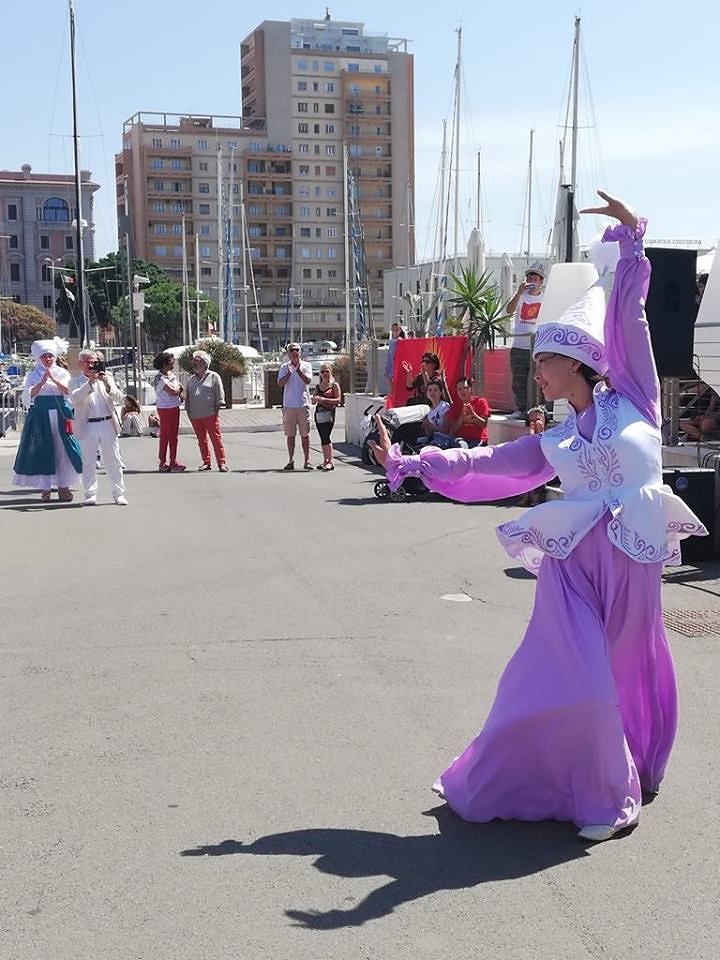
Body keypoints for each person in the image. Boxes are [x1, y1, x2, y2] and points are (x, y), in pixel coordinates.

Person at [370, 191, 707, 843]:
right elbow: (492, 465)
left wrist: (632, 240)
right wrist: (417, 464)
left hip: (634, 559)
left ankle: (631, 763)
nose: (539, 373)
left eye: (547, 361)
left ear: (576, 360)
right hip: (574, 569)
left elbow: (631, 317)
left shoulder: (635, 397)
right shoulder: (557, 440)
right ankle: (598, 792)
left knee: (631, 667)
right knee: (570, 677)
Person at [13, 338, 81, 502]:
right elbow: (28, 396)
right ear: (38, 358)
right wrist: (42, 382)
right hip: (40, 414)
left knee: (62, 450)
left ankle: (63, 486)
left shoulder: (62, 373)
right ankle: (45, 487)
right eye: (44, 357)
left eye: (50, 356)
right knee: (43, 449)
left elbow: (69, 392)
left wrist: (54, 381)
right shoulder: (33, 375)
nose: (47, 359)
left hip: (59, 413)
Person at [71, 349, 128, 506]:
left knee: (114, 460)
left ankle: (118, 494)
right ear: (80, 364)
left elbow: (119, 398)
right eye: (88, 362)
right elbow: (75, 399)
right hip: (88, 425)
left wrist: (107, 384)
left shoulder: (106, 378)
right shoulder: (75, 381)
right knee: (88, 461)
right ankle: (90, 493)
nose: (91, 365)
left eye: (94, 362)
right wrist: (89, 383)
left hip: (107, 423)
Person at [505, 261, 545, 418]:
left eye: (535, 277)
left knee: (540, 379)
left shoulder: (545, 298)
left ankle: (540, 410)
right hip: (519, 344)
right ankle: (521, 409)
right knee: (519, 380)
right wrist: (519, 293)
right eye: (529, 276)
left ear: (541, 281)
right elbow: (508, 311)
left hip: (538, 345)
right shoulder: (521, 296)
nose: (531, 279)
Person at [184, 350, 228, 471]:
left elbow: (220, 396)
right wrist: (189, 412)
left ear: (205, 363)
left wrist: (216, 411)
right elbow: (188, 398)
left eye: (197, 361)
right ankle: (206, 462)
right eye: (194, 361)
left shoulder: (214, 377)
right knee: (201, 440)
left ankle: (221, 463)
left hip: (210, 414)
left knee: (216, 439)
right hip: (195, 415)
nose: (195, 364)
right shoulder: (191, 379)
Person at [277, 342, 313, 470]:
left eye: (296, 350)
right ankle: (291, 460)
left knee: (305, 434)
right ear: (288, 353)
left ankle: (307, 460)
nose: (294, 352)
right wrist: (289, 372)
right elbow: (280, 383)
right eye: (291, 350)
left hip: (303, 404)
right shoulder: (284, 367)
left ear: (300, 351)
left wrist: (298, 371)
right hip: (289, 405)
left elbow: (308, 381)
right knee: (290, 435)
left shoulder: (306, 365)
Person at [152, 352, 186, 473]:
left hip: (175, 407)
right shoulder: (159, 378)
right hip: (165, 408)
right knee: (165, 436)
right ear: (165, 363)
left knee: (174, 436)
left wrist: (179, 390)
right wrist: (178, 390)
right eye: (171, 362)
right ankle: (162, 462)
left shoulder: (171, 375)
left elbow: (180, 388)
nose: (173, 364)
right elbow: (173, 391)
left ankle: (173, 461)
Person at [312, 362, 342, 471]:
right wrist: (315, 399)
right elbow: (313, 399)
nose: (325, 374)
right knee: (322, 437)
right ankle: (325, 460)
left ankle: (330, 461)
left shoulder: (334, 385)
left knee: (326, 436)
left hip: (329, 414)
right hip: (319, 414)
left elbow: (338, 400)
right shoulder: (318, 386)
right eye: (322, 372)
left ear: (331, 372)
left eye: (327, 371)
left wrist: (324, 399)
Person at [517, 406, 548, 506]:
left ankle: (536, 498)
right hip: (530, 465)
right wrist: (532, 433)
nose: (535, 423)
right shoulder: (527, 436)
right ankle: (526, 496)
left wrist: (539, 432)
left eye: (538, 420)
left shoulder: (549, 436)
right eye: (532, 421)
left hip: (545, 467)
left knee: (537, 472)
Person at [448, 377, 490, 448]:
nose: (462, 392)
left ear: (470, 389)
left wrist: (473, 414)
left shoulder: (481, 402)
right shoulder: (454, 406)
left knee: (472, 450)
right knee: (460, 446)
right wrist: (462, 414)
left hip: (478, 440)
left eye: (465, 388)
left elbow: (483, 424)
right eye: (459, 389)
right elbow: (453, 430)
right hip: (461, 439)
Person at [418, 379, 451, 446]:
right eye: (430, 390)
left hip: (443, 440)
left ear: (440, 392)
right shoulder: (429, 411)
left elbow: (446, 430)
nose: (432, 392)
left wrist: (431, 426)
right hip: (433, 440)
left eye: (435, 390)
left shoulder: (444, 406)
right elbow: (430, 434)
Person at [384, 322, 405, 394]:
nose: (395, 331)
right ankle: (392, 393)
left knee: (393, 379)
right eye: (393, 330)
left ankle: (393, 394)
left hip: (396, 361)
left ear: (400, 330)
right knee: (389, 378)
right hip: (391, 361)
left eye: (396, 330)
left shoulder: (399, 339)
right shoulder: (392, 340)